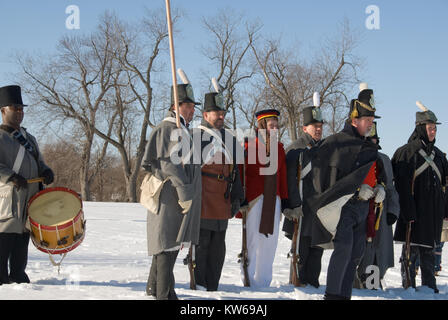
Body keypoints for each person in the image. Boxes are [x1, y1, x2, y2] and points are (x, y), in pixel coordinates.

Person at [306, 83, 385, 300]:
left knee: (355, 255)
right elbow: (330, 182)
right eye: (367, 120)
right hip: (343, 208)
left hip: (363, 209)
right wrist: (358, 189)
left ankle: (344, 297)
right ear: (354, 120)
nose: (370, 125)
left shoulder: (370, 147)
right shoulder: (334, 144)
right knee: (343, 250)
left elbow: (376, 176)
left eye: (371, 121)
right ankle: (331, 296)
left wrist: (379, 189)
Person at [142, 80, 202, 300]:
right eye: (187, 105)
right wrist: (185, 194)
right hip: (170, 194)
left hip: (177, 194)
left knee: (169, 245)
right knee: (167, 244)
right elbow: (170, 165)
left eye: (193, 105)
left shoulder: (181, 129)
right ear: (176, 105)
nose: (192, 109)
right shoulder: (168, 128)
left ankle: (157, 288)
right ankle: (163, 294)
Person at [392, 101, 448, 293]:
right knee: (410, 253)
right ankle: (409, 289)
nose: (433, 132)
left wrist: (445, 211)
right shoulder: (405, 153)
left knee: (429, 253)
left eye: (434, 129)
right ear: (420, 128)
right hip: (413, 214)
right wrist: (408, 212)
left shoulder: (440, 156)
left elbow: (445, 185)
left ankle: (429, 288)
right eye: (430, 128)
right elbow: (400, 186)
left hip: (433, 214)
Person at [0, 85, 54, 285]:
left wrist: (46, 171)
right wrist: (11, 176)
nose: (20, 112)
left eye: (22, 108)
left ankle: (18, 274)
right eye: (15, 108)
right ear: (3, 110)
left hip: (30, 197)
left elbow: (39, 162)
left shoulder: (29, 138)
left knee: (22, 238)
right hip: (8, 198)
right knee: (4, 238)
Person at [193, 90, 244, 291]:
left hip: (223, 199)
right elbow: (189, 173)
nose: (221, 116)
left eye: (222, 113)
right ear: (205, 115)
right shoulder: (195, 136)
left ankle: (213, 287)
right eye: (216, 113)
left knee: (218, 249)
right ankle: (200, 286)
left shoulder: (229, 138)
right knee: (202, 246)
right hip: (203, 199)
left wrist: (237, 197)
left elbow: (236, 171)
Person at [240, 109, 288, 287]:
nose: (274, 128)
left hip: (273, 200)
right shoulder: (250, 145)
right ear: (262, 126)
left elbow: (282, 177)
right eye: (271, 125)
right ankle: (248, 277)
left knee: (270, 241)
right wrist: (242, 199)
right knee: (252, 240)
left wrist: (285, 201)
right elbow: (243, 173)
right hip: (254, 200)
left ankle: (264, 281)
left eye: (276, 125)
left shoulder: (280, 148)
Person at [282, 92, 324, 288]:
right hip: (301, 209)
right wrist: (293, 205)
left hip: (318, 210)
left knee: (317, 250)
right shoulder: (295, 148)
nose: (318, 129)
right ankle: (298, 285)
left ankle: (313, 284)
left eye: (320, 126)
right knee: (301, 252)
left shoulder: (324, 148)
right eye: (315, 126)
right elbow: (290, 180)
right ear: (304, 128)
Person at [355, 122, 400, 289]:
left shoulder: (384, 159)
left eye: (374, 140)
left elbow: (391, 188)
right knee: (360, 251)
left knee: (378, 252)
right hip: (360, 213)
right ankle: (358, 283)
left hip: (381, 214)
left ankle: (373, 285)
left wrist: (393, 211)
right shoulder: (355, 157)